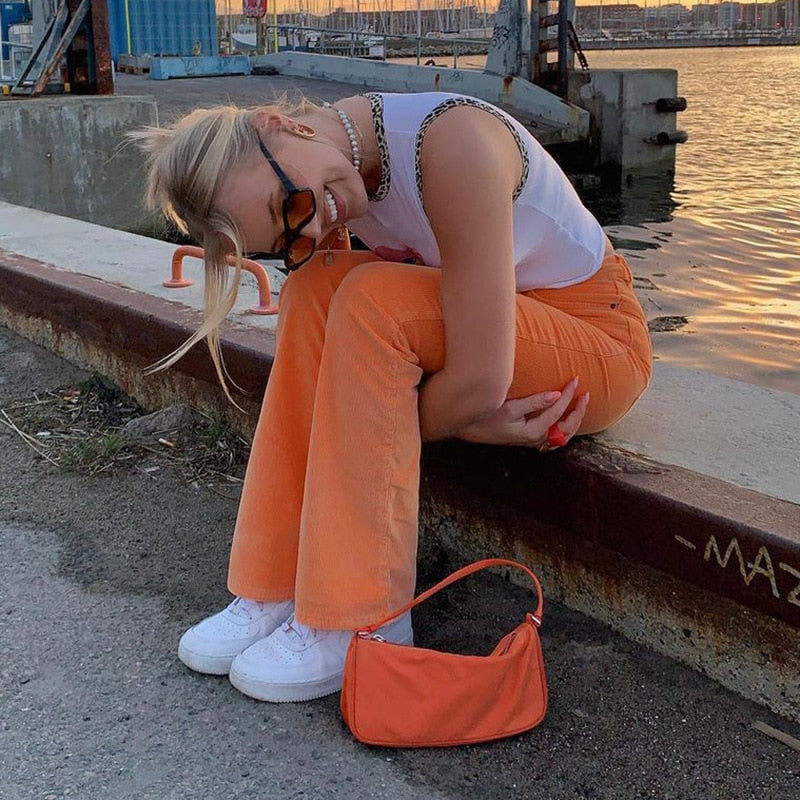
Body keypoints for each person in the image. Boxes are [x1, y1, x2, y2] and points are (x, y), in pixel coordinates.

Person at [136, 90, 652, 704]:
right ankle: (277, 582)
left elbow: (480, 381)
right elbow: (361, 369)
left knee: (373, 301)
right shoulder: (331, 161)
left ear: (279, 125)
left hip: (593, 335)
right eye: (288, 239)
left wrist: (434, 416)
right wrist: (454, 419)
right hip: (498, 323)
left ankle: (365, 613)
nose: (314, 226)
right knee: (313, 288)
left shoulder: (452, 144)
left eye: (290, 205)